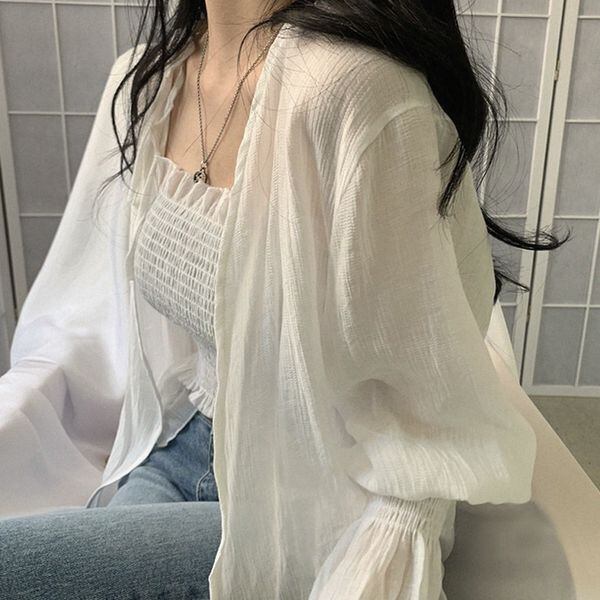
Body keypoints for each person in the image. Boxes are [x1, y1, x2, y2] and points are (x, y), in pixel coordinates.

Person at [0, 1, 571, 598]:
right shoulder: (157, 76)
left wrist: (374, 573)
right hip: (184, 446)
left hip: (315, 499)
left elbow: (423, 422)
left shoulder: (351, 90)